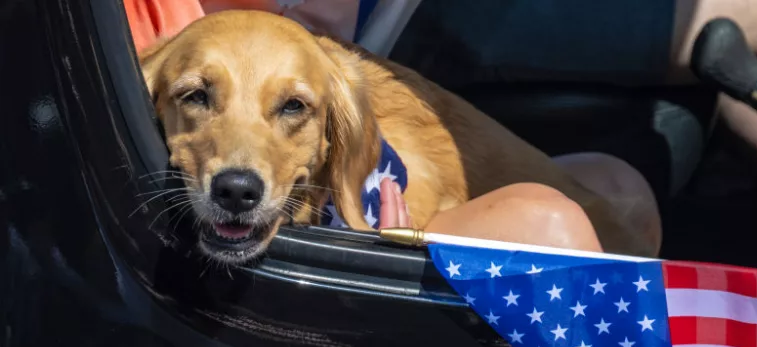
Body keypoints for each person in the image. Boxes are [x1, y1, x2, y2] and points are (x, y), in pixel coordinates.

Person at [124, 0, 662, 255]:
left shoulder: (346, 101)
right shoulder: (132, 55)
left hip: (370, 192)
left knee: (622, 188)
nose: (240, 173)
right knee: (547, 225)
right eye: (197, 97)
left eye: (291, 109)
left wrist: (368, 219)